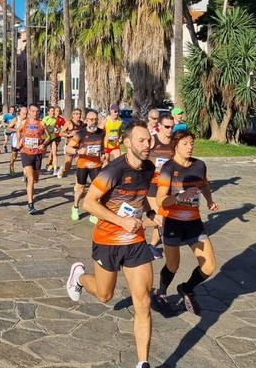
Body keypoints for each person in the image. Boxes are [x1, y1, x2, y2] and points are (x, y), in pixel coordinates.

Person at [66, 120, 157, 368]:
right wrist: (121, 221)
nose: (147, 144)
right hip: (107, 241)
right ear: (127, 142)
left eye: (149, 139)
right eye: (141, 140)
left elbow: (141, 199)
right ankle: (80, 277)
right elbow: (89, 203)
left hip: (136, 243)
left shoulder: (149, 169)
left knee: (144, 303)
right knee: (105, 295)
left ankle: (142, 362)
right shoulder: (114, 171)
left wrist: (152, 216)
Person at [153, 129, 219, 316]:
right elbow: (160, 200)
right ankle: (161, 292)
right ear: (175, 145)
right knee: (173, 265)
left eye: (192, 143)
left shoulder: (199, 165)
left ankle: (187, 288)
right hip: (172, 223)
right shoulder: (168, 168)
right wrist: (180, 196)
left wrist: (209, 201)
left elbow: (204, 184)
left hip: (194, 223)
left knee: (209, 266)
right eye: (185, 143)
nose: (190, 147)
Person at [146, 113, 176, 260]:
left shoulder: (174, 143)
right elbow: (140, 155)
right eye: (167, 127)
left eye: (172, 127)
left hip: (167, 186)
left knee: (163, 216)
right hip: (152, 184)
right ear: (159, 126)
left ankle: (151, 245)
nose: (169, 130)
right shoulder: (152, 140)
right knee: (159, 216)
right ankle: (131, 230)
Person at [65, 109, 105, 222]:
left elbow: (101, 147)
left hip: (96, 165)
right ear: (86, 120)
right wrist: (78, 152)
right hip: (83, 165)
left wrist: (102, 155)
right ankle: (75, 207)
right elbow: (68, 148)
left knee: (96, 189)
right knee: (81, 189)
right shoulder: (80, 134)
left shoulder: (101, 132)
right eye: (91, 119)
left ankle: (93, 213)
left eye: (96, 119)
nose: (94, 122)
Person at [17, 103, 47, 214]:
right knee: (31, 180)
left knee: (35, 179)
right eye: (33, 111)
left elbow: (50, 136)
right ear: (29, 112)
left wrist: (43, 144)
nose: (35, 113)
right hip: (25, 152)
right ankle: (30, 204)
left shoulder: (42, 124)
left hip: (37, 154)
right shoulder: (24, 122)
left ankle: (26, 174)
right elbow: (18, 130)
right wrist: (19, 141)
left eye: (37, 111)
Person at [57, 108, 84, 179]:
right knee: (67, 169)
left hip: (79, 147)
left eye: (80, 114)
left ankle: (78, 183)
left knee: (80, 166)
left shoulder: (82, 123)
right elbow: (60, 133)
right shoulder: (69, 123)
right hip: (70, 147)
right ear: (73, 115)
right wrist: (69, 134)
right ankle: (61, 170)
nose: (79, 115)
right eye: (77, 114)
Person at [7, 106, 28, 177]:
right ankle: (11, 165)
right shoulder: (16, 119)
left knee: (25, 156)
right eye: (23, 114)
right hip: (15, 140)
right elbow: (9, 127)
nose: (25, 115)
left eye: (26, 114)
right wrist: (17, 130)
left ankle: (25, 173)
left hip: (25, 140)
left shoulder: (28, 120)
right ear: (20, 113)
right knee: (14, 155)